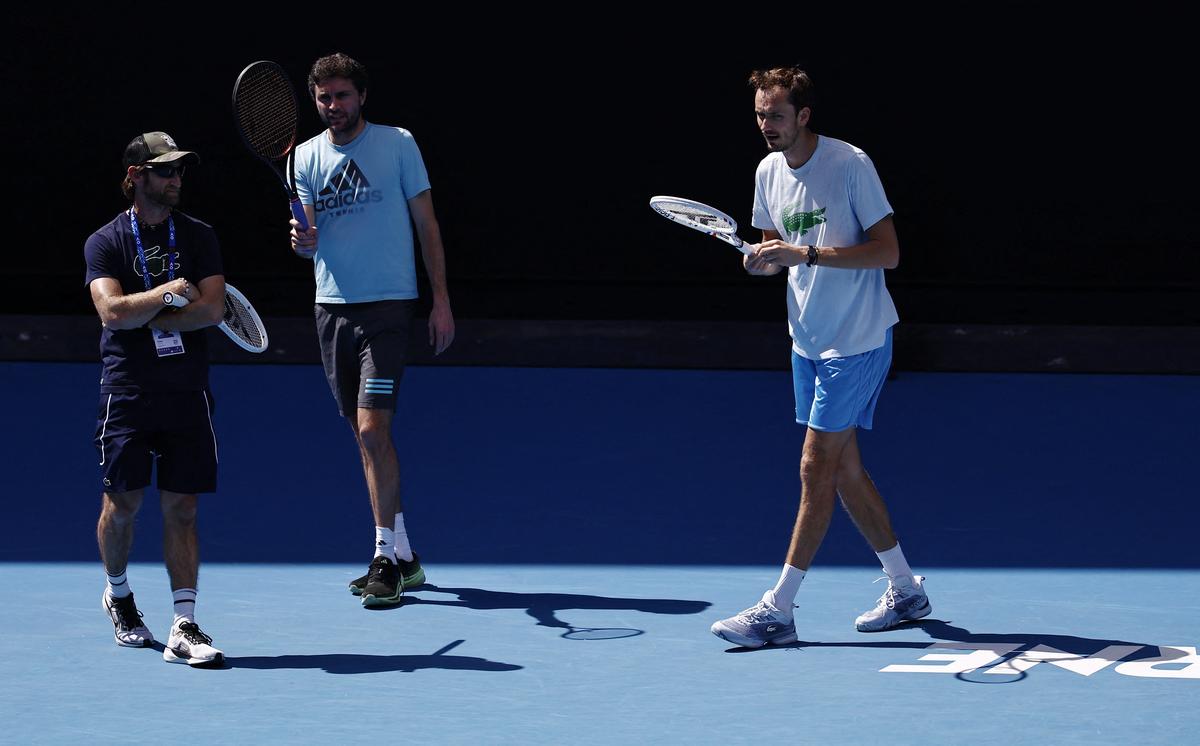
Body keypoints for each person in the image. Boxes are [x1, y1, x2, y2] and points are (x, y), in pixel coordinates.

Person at [711, 67, 931, 648]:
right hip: (806, 341)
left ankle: (777, 610)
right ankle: (907, 589)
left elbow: (888, 253)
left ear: (804, 115)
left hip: (857, 341)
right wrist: (762, 261)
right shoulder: (766, 170)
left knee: (815, 467)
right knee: (846, 470)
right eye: (759, 114)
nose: (765, 126)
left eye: (776, 115)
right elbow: (770, 250)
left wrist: (804, 252)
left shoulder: (850, 164)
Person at [289, 53, 455, 608]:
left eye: (341, 95)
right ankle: (405, 557)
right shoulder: (305, 158)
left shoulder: (398, 144)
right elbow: (308, 234)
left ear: (361, 96)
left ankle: (383, 555)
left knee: (371, 431)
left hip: (388, 307)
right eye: (323, 98)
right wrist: (301, 242)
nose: (332, 106)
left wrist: (441, 301)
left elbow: (427, 224)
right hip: (331, 307)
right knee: (363, 437)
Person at [85, 131, 227, 666]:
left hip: (187, 391)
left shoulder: (200, 236)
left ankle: (184, 624)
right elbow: (112, 313)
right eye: (164, 170)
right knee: (123, 508)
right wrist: (170, 293)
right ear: (135, 177)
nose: (175, 179)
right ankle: (118, 593)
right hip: (127, 391)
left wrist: (143, 309)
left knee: (182, 509)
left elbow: (211, 311)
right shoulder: (103, 243)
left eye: (179, 171)